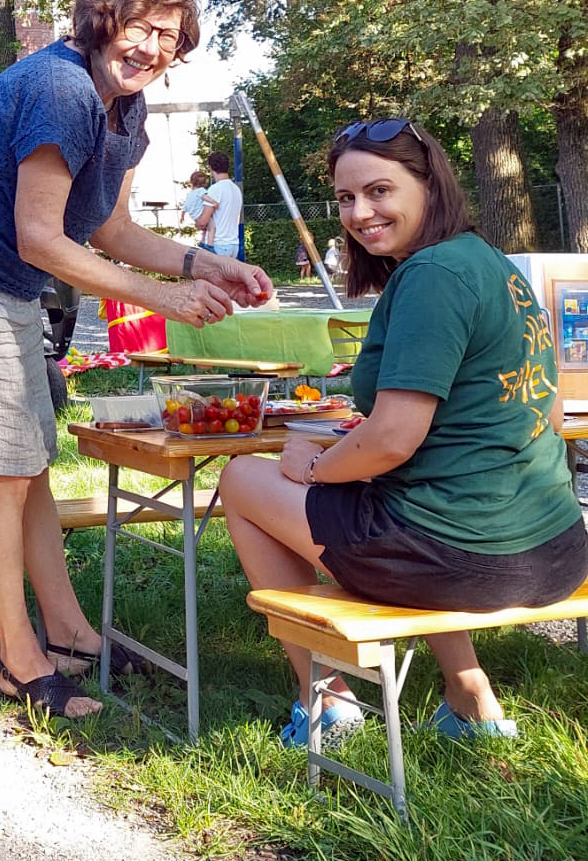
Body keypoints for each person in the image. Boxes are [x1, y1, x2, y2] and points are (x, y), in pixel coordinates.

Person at [0, 0, 273, 720]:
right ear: (102, 23)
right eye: (139, 28)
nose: (151, 47)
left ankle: (68, 635)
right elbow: (40, 237)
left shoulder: (127, 108)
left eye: (168, 37)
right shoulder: (60, 90)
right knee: (6, 468)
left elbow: (110, 230)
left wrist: (207, 264)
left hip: (7, 279)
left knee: (29, 456)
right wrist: (166, 298)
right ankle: (19, 660)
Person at [219, 120, 588, 744]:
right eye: (346, 198)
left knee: (242, 478)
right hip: (556, 550)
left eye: (379, 191)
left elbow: (391, 440)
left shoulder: (431, 275)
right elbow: (548, 415)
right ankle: (471, 697)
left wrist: (312, 467)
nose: (359, 213)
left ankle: (325, 699)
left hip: (466, 562)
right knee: (410, 499)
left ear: (429, 184)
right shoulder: (493, 263)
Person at [195, 150, 243, 257]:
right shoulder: (236, 189)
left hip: (218, 244)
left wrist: (196, 221)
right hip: (233, 244)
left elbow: (203, 222)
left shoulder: (215, 189)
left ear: (211, 167)